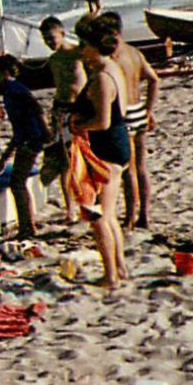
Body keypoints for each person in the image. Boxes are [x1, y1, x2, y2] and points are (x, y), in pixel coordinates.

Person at [70, 20, 131, 288]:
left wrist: (78, 125)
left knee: (98, 218)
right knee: (109, 214)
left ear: (95, 47)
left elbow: (103, 121)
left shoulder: (103, 77)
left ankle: (110, 276)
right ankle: (120, 268)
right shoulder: (112, 68)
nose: (81, 50)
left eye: (84, 45)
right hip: (115, 144)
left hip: (105, 147)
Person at [98, 12, 159, 230]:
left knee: (127, 171)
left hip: (125, 114)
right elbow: (154, 79)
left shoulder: (113, 57)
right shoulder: (135, 53)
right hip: (139, 109)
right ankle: (144, 214)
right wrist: (149, 110)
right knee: (140, 167)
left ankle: (130, 217)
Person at [0, 54, 50, 239]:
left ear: (4, 73)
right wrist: (4, 159)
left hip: (32, 139)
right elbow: (17, 129)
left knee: (17, 183)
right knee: (18, 182)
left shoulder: (15, 90)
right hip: (25, 138)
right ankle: (27, 225)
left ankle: (27, 227)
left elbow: (37, 110)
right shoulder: (10, 91)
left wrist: (45, 134)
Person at [40, 15, 87, 225]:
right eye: (45, 39)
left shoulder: (77, 53)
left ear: (62, 33)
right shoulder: (53, 59)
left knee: (77, 159)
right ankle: (70, 208)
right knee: (63, 162)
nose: (49, 42)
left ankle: (81, 203)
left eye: (51, 37)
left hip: (77, 109)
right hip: (60, 109)